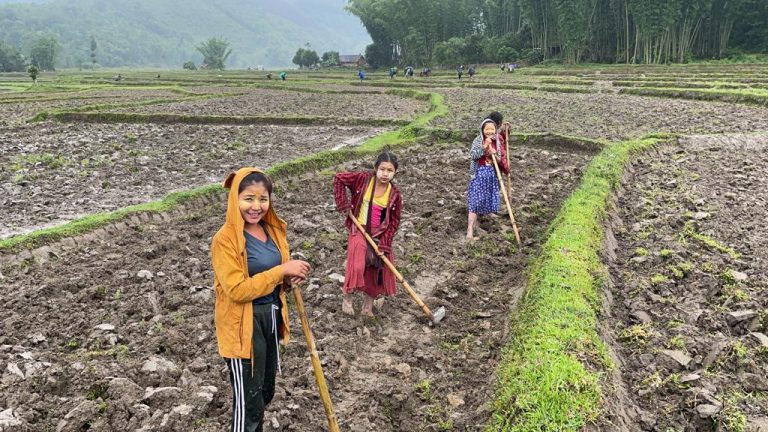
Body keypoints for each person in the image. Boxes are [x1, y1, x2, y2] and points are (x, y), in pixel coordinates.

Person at [211, 168, 311, 432]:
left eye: (263, 199)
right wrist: (281, 271)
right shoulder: (225, 240)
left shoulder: (272, 230)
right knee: (249, 404)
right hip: (243, 327)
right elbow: (237, 290)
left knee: (265, 392)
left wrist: (288, 280)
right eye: (248, 198)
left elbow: (275, 277)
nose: (256, 206)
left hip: (271, 318)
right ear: (235, 199)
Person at [333, 152, 403, 317]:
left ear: (395, 172)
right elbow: (339, 178)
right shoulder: (362, 179)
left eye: (390, 171)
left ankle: (367, 307)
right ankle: (347, 298)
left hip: (379, 233)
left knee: (375, 267)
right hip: (359, 228)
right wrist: (343, 204)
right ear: (375, 168)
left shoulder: (394, 194)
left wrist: (384, 243)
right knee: (357, 262)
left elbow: (394, 222)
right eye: (382, 169)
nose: (385, 174)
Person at [466, 118, 509, 240]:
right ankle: (470, 230)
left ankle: (483, 222)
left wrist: (494, 154)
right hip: (479, 175)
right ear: (482, 130)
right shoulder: (478, 140)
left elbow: (500, 159)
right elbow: (473, 155)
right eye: (487, 129)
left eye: (492, 129)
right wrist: (484, 148)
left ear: (495, 130)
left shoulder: (497, 142)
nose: (489, 131)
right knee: (475, 202)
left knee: (489, 199)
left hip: (491, 176)